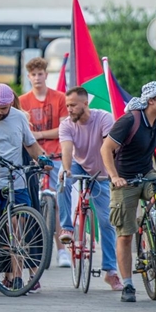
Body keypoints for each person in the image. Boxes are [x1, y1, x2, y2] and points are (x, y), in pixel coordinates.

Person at [100, 81, 156, 303]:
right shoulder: (129, 121)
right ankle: (128, 284)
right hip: (125, 180)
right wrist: (114, 177)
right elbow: (106, 149)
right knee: (126, 233)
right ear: (151, 101)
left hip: (148, 174)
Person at [0, 83, 52, 294]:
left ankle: (17, 278)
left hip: (15, 178)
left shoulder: (20, 117)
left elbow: (30, 144)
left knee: (16, 228)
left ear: (10, 103)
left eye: (3, 108)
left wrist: (41, 158)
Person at [57, 87, 123, 291]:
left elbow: (107, 148)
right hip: (77, 164)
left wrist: (110, 174)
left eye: (73, 105)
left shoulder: (103, 118)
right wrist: (67, 170)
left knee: (106, 221)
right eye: (67, 105)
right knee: (62, 181)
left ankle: (110, 272)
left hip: (101, 169)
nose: (69, 109)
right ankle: (67, 227)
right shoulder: (66, 125)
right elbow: (67, 149)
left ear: (85, 104)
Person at [18, 56, 70, 267]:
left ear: (46, 75)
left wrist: (38, 136)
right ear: (29, 77)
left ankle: (62, 249)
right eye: (34, 74)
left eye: (41, 74)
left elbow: (63, 128)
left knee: (57, 200)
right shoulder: (22, 101)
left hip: (55, 155)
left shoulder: (59, 98)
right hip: (31, 158)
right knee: (26, 202)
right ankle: (26, 246)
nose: (37, 77)